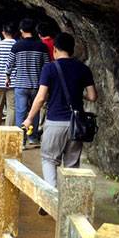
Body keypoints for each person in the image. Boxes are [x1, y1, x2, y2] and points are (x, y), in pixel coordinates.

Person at [22, 32, 97, 193]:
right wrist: (78, 93)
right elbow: (92, 96)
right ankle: (70, 202)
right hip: (76, 124)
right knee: (71, 164)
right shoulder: (83, 69)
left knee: (49, 160)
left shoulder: (49, 68)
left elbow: (41, 97)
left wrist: (29, 118)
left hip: (55, 121)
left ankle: (51, 194)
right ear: (73, 49)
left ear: (55, 49)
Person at [5, 18, 50, 146]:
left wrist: (7, 77)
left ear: (21, 31)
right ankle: (32, 137)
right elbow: (47, 65)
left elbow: (10, 64)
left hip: (20, 84)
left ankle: (21, 140)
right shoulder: (42, 46)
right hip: (37, 84)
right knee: (34, 111)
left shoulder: (17, 46)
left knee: (20, 111)